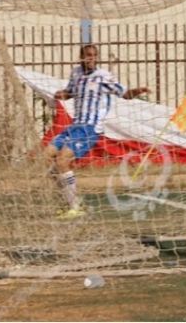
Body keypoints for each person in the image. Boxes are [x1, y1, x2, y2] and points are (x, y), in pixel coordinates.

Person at [46, 44, 148, 218]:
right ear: (82, 57)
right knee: (46, 156)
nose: (91, 58)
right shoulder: (76, 73)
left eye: (94, 55)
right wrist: (62, 94)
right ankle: (70, 201)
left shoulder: (103, 77)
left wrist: (137, 91)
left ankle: (75, 207)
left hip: (89, 129)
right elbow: (70, 92)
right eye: (88, 55)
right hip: (74, 126)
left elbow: (124, 93)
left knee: (62, 160)